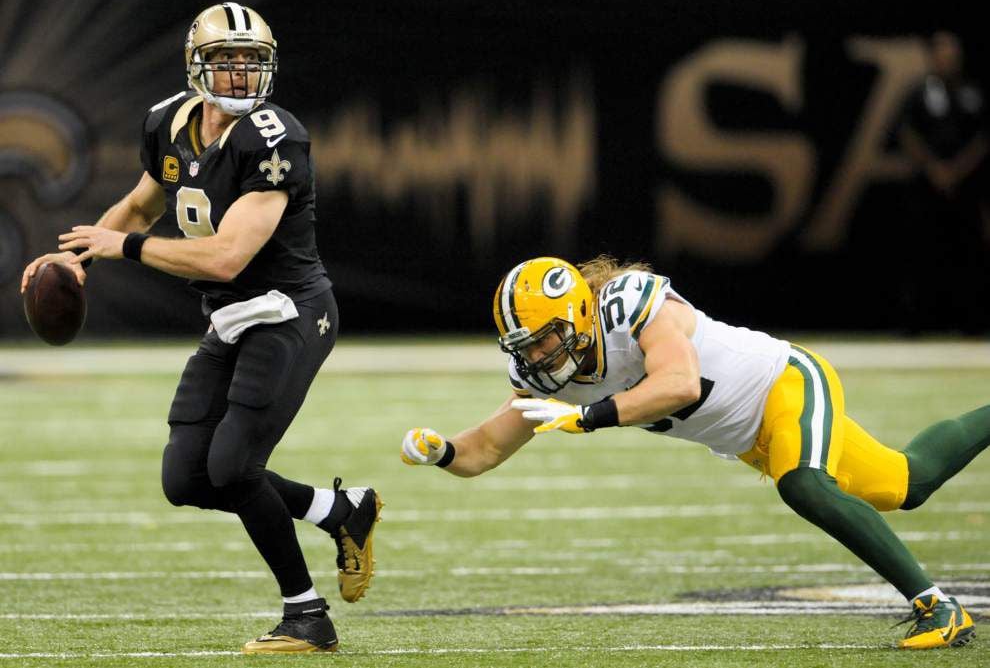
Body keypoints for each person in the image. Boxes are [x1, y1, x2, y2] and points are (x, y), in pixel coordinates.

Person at [20, 3, 382, 654]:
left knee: (234, 464)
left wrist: (122, 249)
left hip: (290, 310)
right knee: (186, 477)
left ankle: (307, 614)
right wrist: (72, 260)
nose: (241, 76)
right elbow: (139, 204)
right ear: (197, 66)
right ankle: (340, 511)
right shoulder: (168, 123)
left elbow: (226, 256)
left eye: (251, 62)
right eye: (226, 62)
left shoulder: (273, 137)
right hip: (233, 316)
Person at [400, 255, 988, 650]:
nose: (537, 357)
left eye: (545, 339)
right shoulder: (551, 374)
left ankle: (939, 608)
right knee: (907, 483)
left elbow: (679, 383)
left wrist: (590, 417)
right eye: (524, 347)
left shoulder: (630, 306)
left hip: (784, 383)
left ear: (578, 314)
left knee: (804, 485)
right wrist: (442, 450)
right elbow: (485, 451)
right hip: (753, 440)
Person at [897, 31, 989, 334]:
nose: (947, 58)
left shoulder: (972, 93)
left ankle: (972, 324)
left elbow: (981, 138)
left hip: (965, 189)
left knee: (968, 254)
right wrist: (934, 168)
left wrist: (958, 169)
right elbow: (908, 134)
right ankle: (916, 325)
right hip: (927, 188)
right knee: (923, 253)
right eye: (941, 53)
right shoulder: (919, 94)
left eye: (951, 53)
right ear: (932, 57)